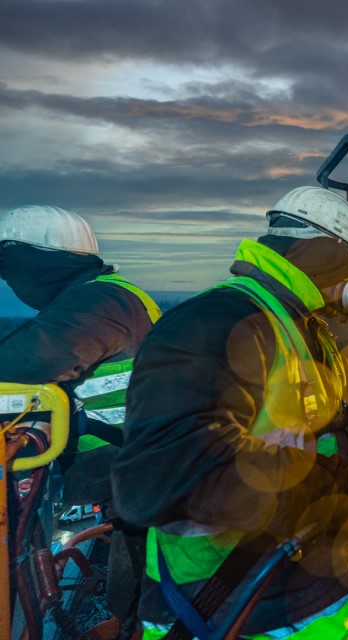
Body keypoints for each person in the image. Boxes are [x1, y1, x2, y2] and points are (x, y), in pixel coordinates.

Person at [111, 186, 348, 640]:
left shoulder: (293, 321)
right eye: (347, 271)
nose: (347, 289)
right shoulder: (215, 321)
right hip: (227, 604)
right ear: (329, 259)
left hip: (300, 588)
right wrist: (315, 484)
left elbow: (305, 428)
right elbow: (161, 478)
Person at [0, 204, 161, 633]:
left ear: (40, 260)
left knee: (129, 600)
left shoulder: (103, 300)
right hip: (124, 475)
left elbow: (29, 358)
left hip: (125, 474)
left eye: (11, 264)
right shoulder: (99, 295)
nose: (10, 279)